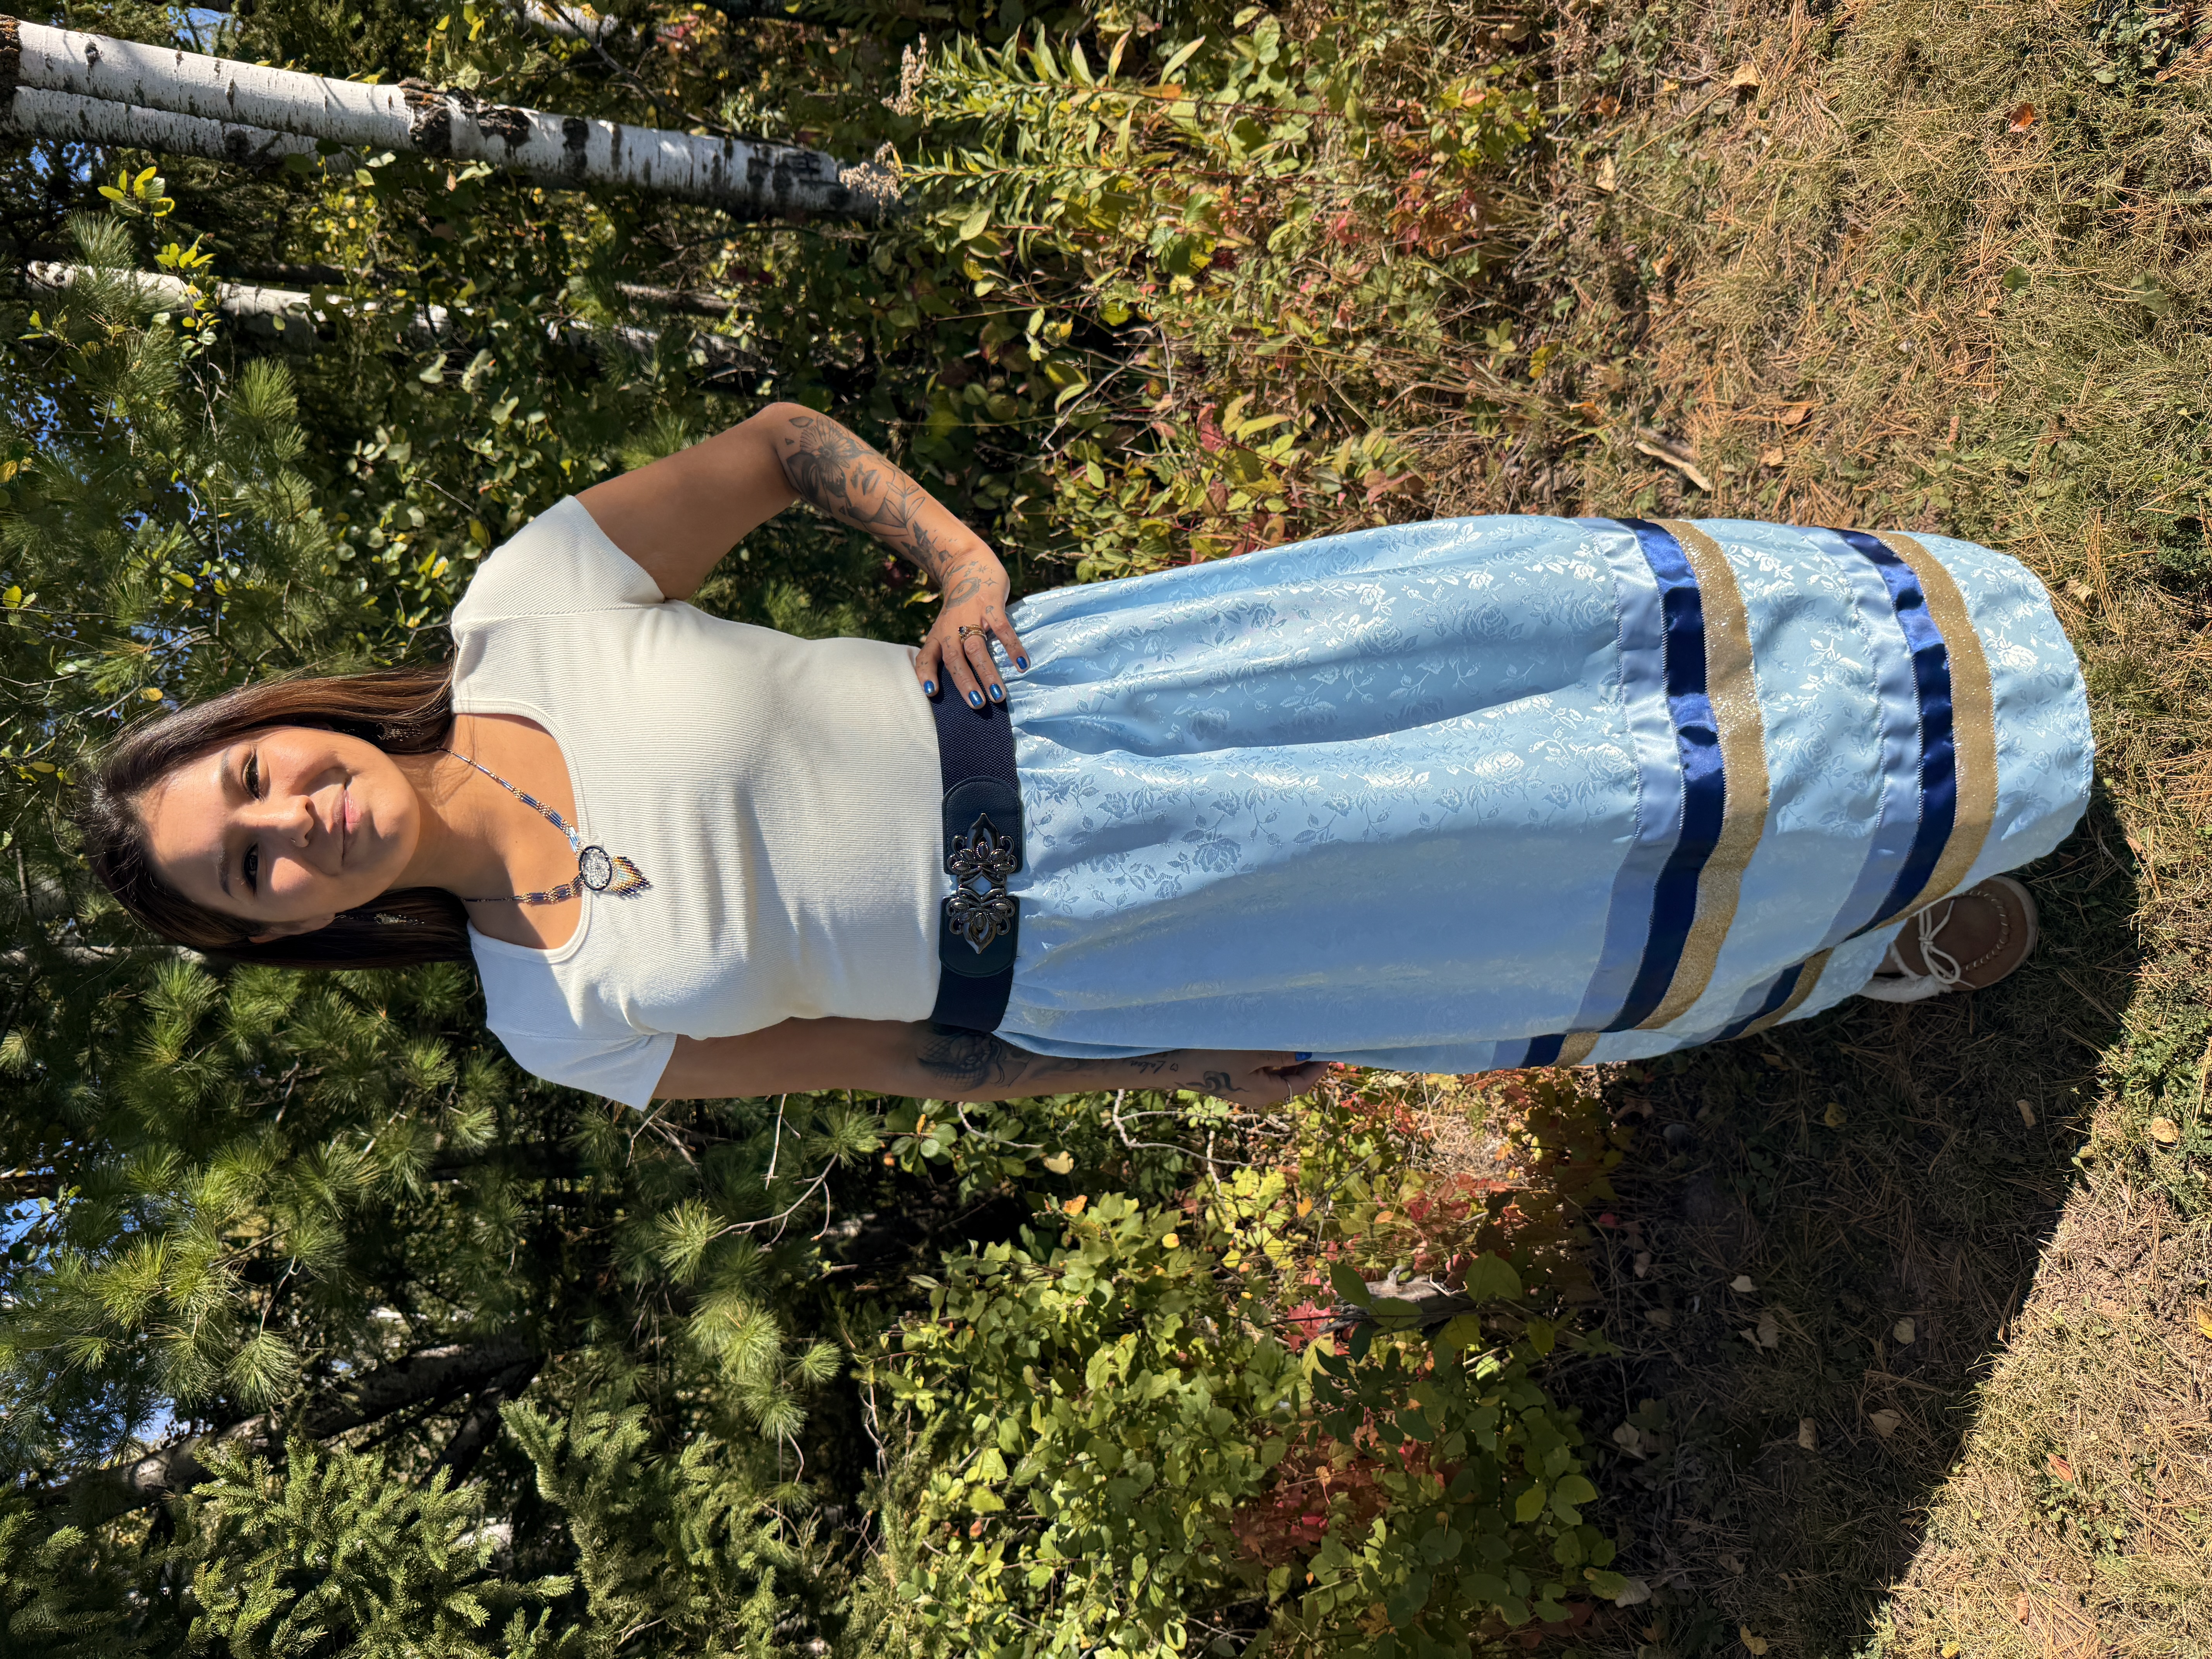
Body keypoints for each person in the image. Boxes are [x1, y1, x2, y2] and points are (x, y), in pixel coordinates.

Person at [76, 405, 2092, 1110]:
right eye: (249, 872)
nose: (287, 829)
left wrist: (955, 552)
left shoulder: (525, 604)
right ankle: (1848, 943)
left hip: (1095, 710)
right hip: (1099, 949)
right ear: (288, 927)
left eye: (247, 787)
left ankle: (1918, 698)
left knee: (1500, 682)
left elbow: (779, 451)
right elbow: (893, 1060)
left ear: (277, 726)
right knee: (1502, 903)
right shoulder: (551, 1020)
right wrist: (1167, 1059)